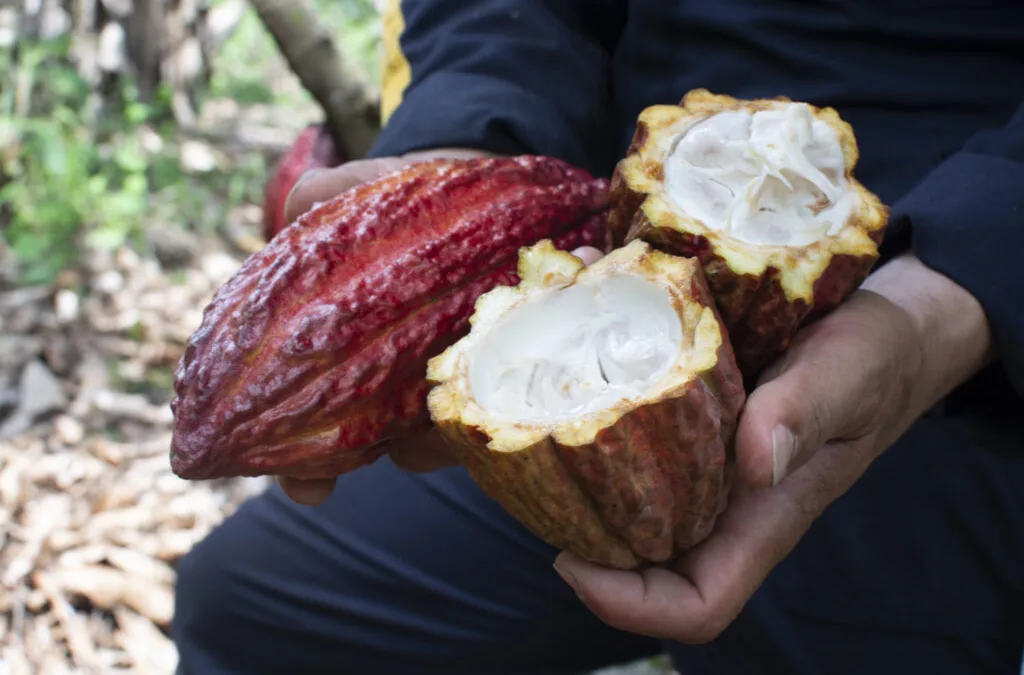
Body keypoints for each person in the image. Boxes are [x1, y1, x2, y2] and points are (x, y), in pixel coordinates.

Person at [171, 1, 1024, 673]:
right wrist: (469, 161)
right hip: (585, 262)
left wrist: (963, 286)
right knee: (251, 606)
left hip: (952, 324)